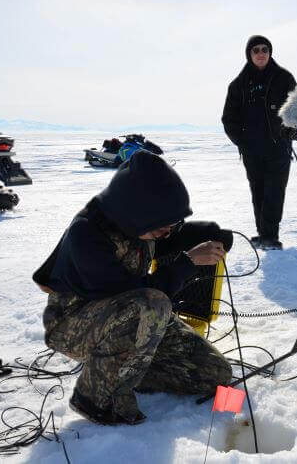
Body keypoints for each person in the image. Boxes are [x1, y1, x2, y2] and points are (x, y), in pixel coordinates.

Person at [33, 151, 234, 425]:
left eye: (171, 226)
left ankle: (126, 368)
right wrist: (188, 263)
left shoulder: (136, 222)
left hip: (129, 318)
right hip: (73, 325)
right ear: (136, 215)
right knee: (152, 304)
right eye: (161, 228)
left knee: (215, 373)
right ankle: (95, 399)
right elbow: (131, 293)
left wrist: (207, 233)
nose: (166, 233)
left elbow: (161, 242)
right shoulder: (88, 234)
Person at [221, 35, 297, 250]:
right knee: (258, 191)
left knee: (274, 191)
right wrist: (242, 143)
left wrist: (290, 131)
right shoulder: (238, 85)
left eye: (265, 49)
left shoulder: (284, 78)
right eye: (256, 50)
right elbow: (228, 119)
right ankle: (262, 234)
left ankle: (270, 236)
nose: (261, 53)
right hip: (252, 151)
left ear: (270, 52)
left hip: (278, 148)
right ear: (249, 54)